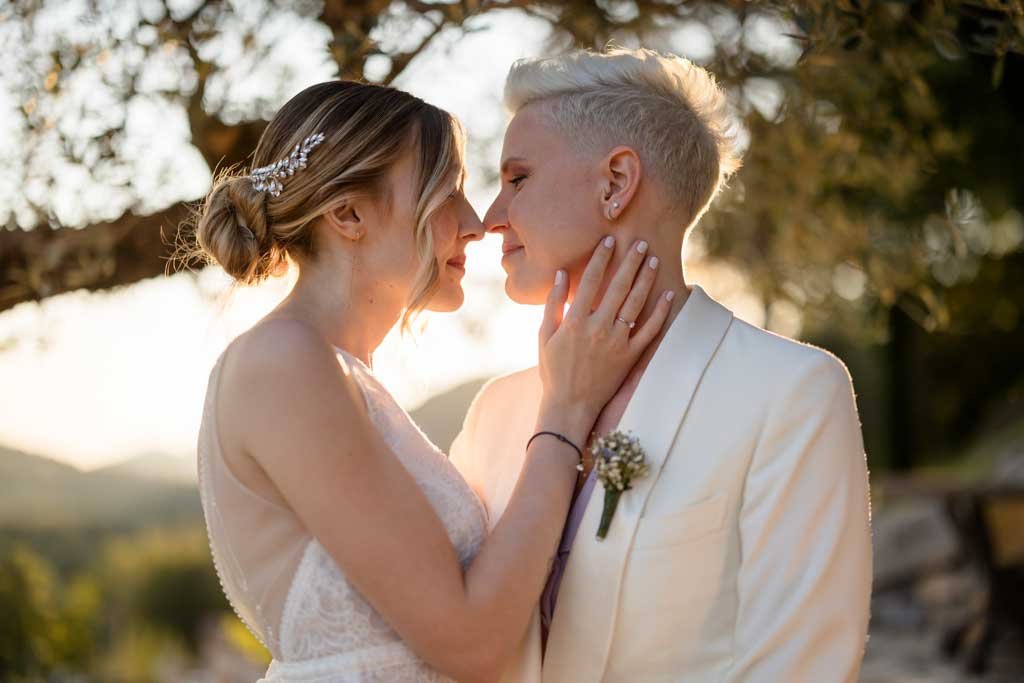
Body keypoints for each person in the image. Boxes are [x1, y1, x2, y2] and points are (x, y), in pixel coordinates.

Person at [190, 79, 673, 681]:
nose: (475, 224)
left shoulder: (330, 370)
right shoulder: (282, 363)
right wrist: (568, 409)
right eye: (446, 192)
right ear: (348, 213)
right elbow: (470, 643)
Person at [450, 47, 873, 682]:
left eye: (517, 179)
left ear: (616, 182)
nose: (490, 219)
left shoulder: (790, 394)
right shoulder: (496, 412)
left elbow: (799, 668)